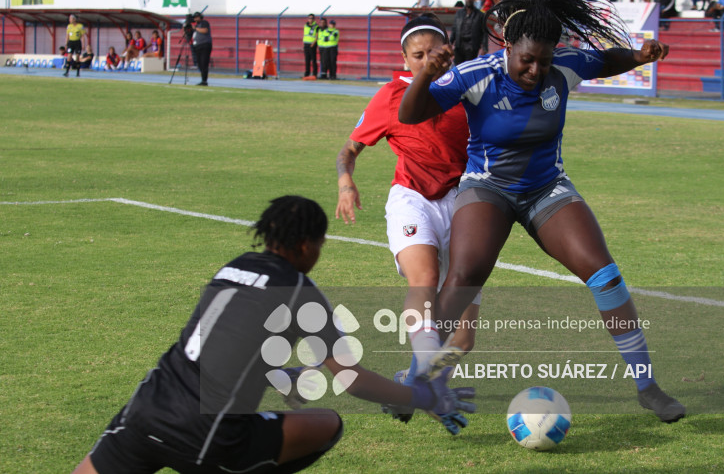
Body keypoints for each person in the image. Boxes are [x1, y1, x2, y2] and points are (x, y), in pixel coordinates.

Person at [397, 0, 686, 425]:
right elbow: (409, 115)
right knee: (465, 275)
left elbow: (606, 59)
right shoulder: (476, 73)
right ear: (509, 46)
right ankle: (420, 376)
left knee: (606, 275)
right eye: (527, 59)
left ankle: (647, 386)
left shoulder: (562, 67)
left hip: (546, 188)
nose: (535, 70)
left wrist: (640, 55)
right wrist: (424, 75)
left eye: (544, 61)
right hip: (488, 188)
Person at [71, 196, 473, 474]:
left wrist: (282, 376)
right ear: (304, 245)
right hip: (207, 433)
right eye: (320, 243)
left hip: (147, 407)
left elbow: (219, 344)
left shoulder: (232, 267)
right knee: (328, 424)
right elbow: (352, 381)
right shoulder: (301, 293)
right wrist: (424, 396)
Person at [335, 17, 479, 434]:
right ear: (405, 58)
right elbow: (349, 149)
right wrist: (346, 183)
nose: (425, 61)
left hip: (465, 202)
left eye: (433, 53)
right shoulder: (392, 95)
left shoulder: (466, 90)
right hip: (412, 198)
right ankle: (429, 385)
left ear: (447, 52)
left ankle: (414, 384)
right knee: (425, 281)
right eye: (417, 55)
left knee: (465, 338)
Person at [450, 0, 488, 65]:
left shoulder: (480, 15)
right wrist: (450, 42)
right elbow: (454, 29)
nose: (469, 0)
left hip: (472, 46)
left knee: (469, 67)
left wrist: (485, 47)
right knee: (458, 67)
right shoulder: (459, 13)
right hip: (459, 45)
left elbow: (484, 32)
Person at [191, 12, 212, 86]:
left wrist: (195, 28)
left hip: (205, 45)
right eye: (194, 17)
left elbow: (205, 30)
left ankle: (204, 80)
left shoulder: (204, 23)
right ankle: (203, 79)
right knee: (200, 64)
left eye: (197, 17)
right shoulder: (196, 25)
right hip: (198, 46)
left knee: (204, 63)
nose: (195, 19)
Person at [303, 14, 319, 79]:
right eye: (309, 18)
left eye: (312, 18)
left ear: (314, 19)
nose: (310, 19)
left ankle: (314, 73)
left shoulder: (316, 26)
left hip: (312, 44)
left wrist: (313, 43)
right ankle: (307, 73)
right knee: (307, 60)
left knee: (313, 60)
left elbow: (317, 36)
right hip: (306, 44)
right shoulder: (305, 26)